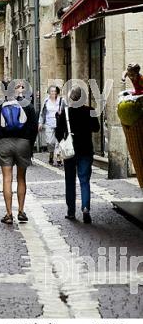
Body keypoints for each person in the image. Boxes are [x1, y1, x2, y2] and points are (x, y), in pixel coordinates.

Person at [0, 80, 38, 225]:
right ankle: (21, 211)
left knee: (7, 178)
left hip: (5, 144)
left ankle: (8, 214)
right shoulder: (27, 105)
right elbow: (34, 127)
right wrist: (30, 145)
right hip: (23, 143)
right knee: (21, 178)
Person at [55, 86, 100, 224]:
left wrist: (64, 138)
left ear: (71, 98)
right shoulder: (90, 110)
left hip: (70, 151)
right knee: (84, 180)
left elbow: (58, 133)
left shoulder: (66, 112)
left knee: (70, 181)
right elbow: (96, 128)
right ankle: (85, 208)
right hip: (86, 149)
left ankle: (71, 212)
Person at [38, 85, 63, 166]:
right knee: (49, 142)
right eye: (52, 91)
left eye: (55, 91)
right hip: (49, 123)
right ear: (49, 92)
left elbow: (67, 111)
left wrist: (61, 113)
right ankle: (51, 153)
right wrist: (40, 122)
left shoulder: (62, 101)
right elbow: (42, 113)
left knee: (58, 141)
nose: (53, 93)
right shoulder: (46, 101)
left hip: (59, 124)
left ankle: (58, 157)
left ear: (57, 92)